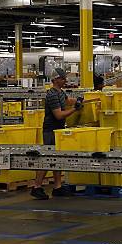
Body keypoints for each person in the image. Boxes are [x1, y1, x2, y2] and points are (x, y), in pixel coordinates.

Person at [31, 68, 82, 200]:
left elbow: (66, 100)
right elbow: (59, 115)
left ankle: (58, 187)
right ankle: (36, 187)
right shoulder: (52, 95)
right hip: (50, 130)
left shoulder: (60, 92)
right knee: (47, 158)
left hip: (58, 130)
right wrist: (74, 110)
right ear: (56, 79)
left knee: (57, 157)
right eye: (63, 78)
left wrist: (77, 101)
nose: (65, 81)